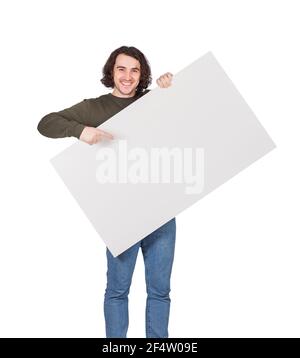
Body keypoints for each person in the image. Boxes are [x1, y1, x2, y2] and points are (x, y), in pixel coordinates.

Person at [37, 46, 176, 338]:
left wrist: (171, 90)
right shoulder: (95, 107)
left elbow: (190, 117)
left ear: (142, 75)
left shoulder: (155, 101)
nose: (128, 76)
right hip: (120, 214)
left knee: (160, 291)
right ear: (111, 72)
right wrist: (80, 130)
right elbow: (46, 123)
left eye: (135, 70)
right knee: (117, 289)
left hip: (161, 210)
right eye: (121, 69)